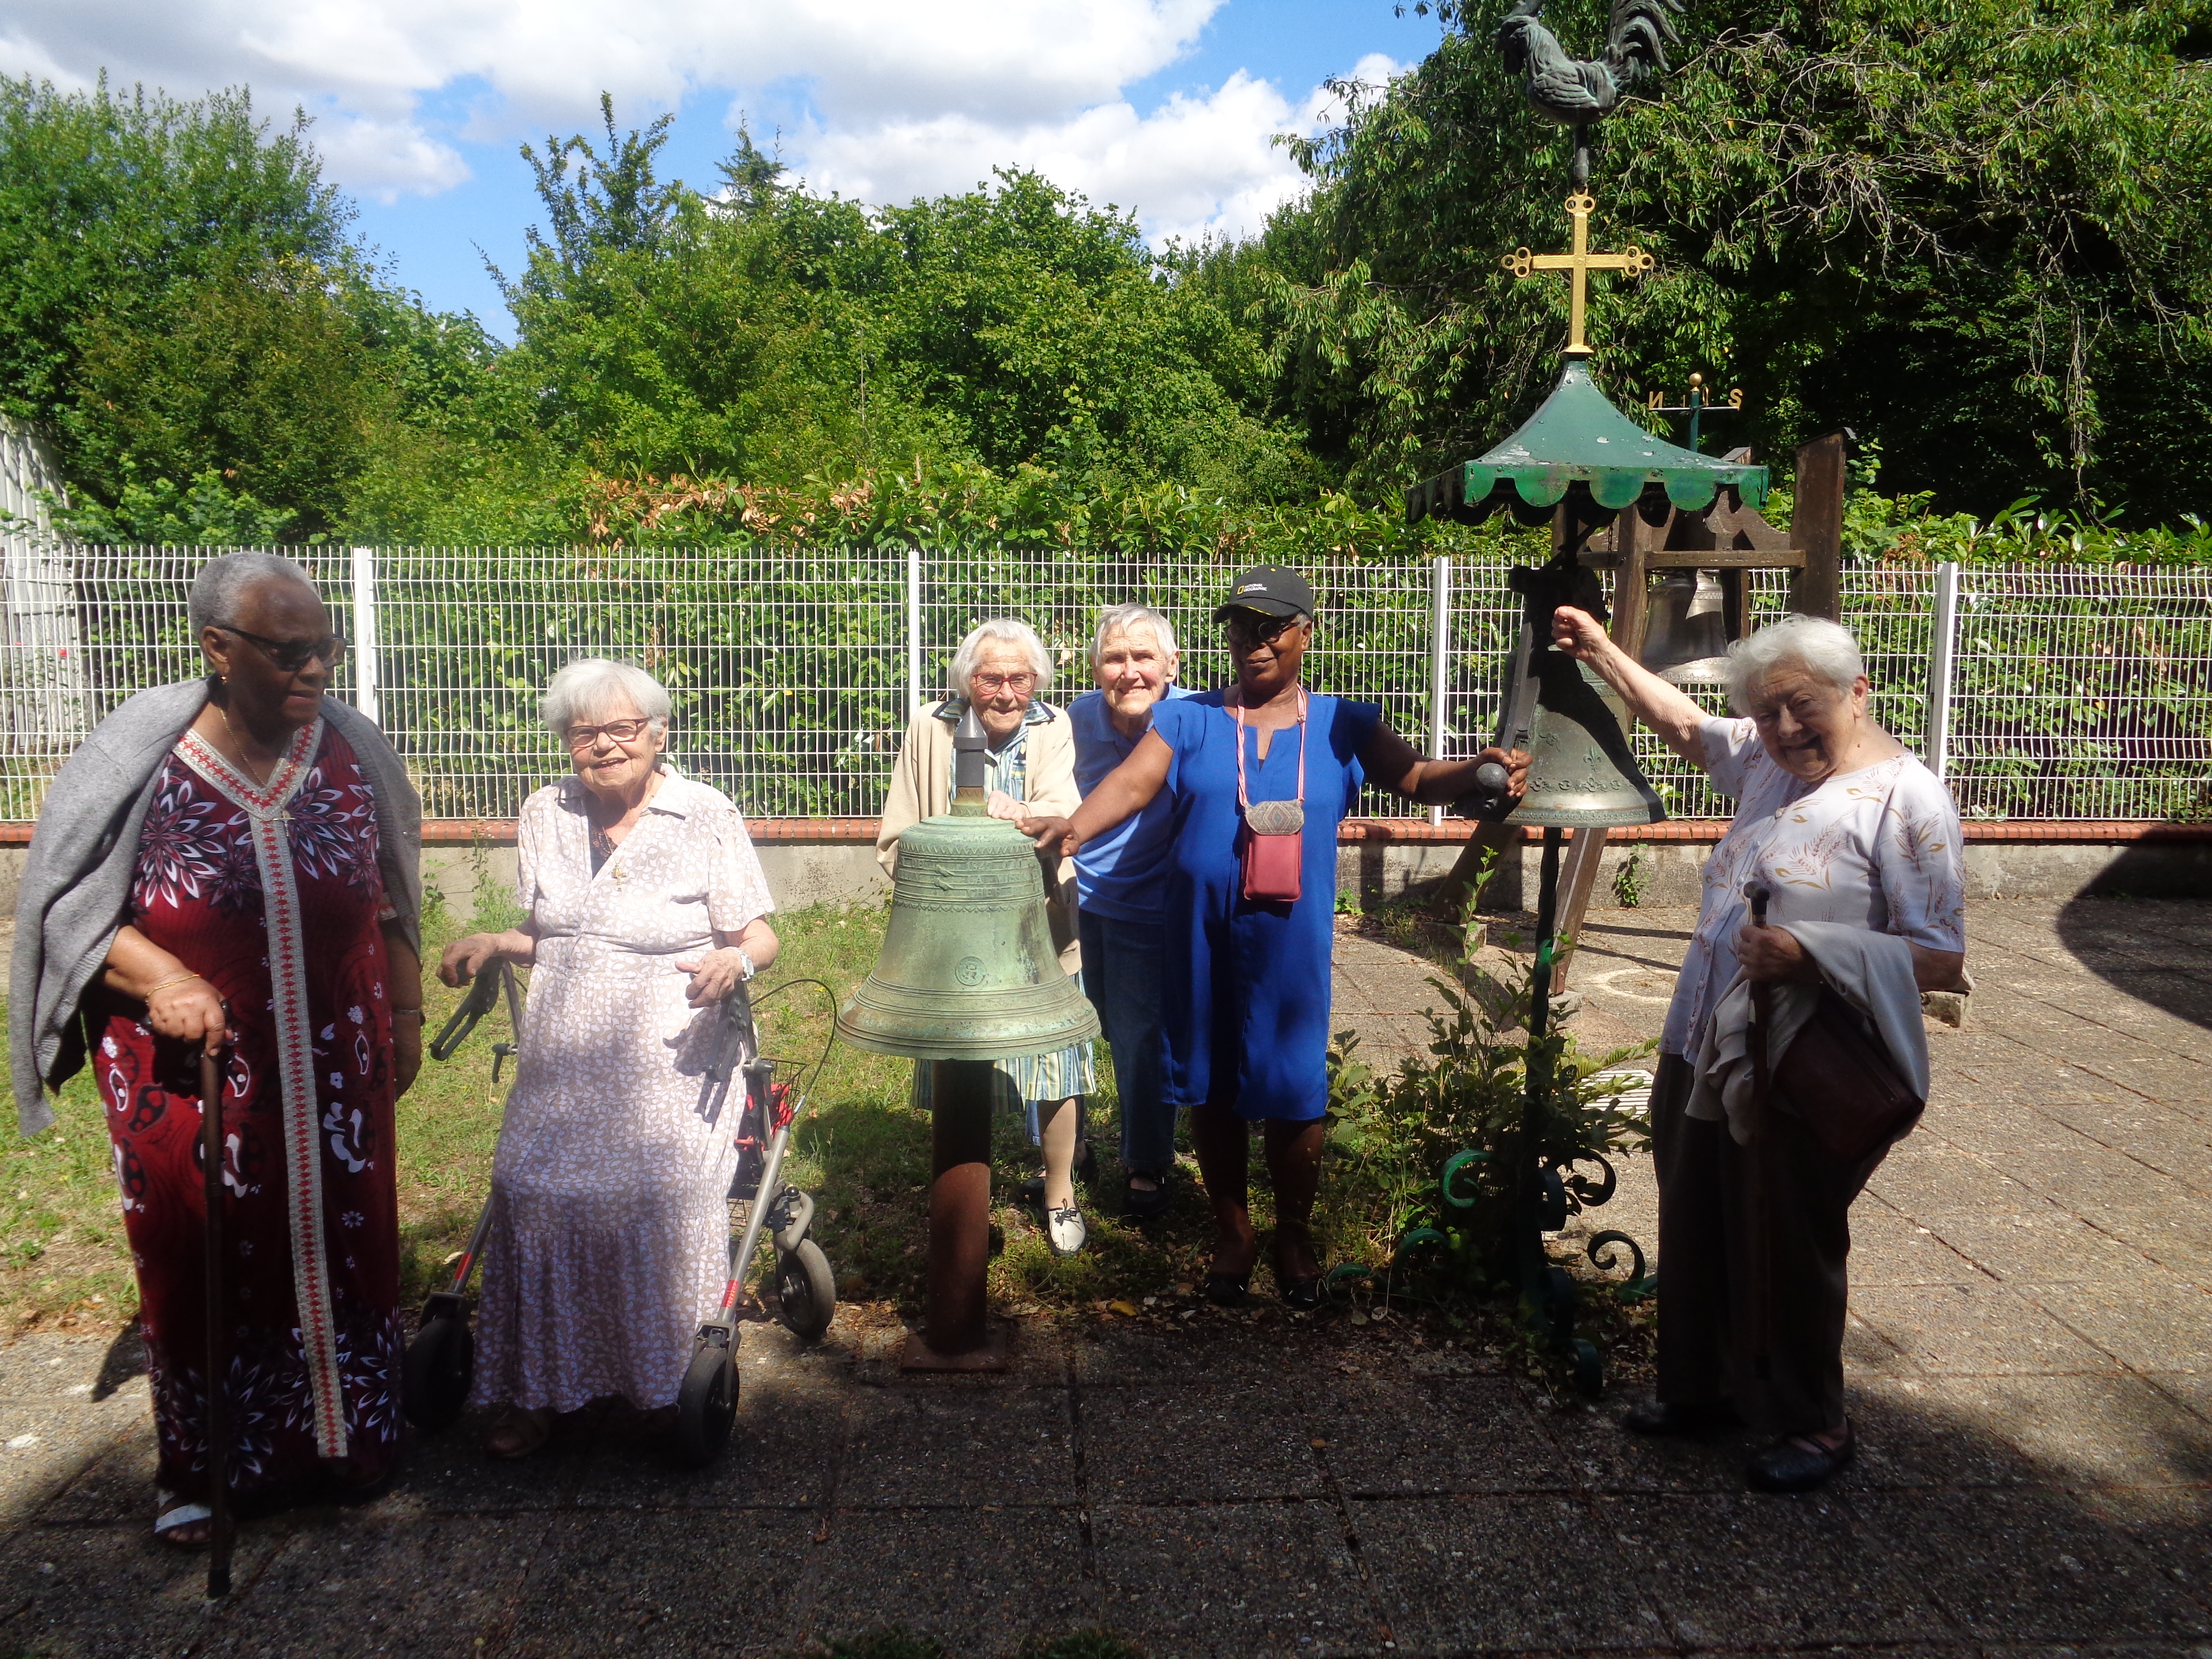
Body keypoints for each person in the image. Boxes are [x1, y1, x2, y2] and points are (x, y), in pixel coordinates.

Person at [9, 551, 424, 1545]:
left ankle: (349, 1441)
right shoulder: (141, 758)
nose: (314, 669)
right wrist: (163, 978)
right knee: (204, 1254)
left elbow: (391, 895)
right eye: (289, 652)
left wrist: (403, 1018)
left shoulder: (351, 749)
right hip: (184, 1069)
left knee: (348, 1240)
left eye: (324, 648)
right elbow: (69, 911)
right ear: (218, 648)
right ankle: (202, 1471)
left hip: (334, 1060)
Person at [1023, 567, 1527, 1306]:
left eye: (1271, 628)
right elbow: (1130, 786)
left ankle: (1293, 1234)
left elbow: (1417, 778)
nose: (1254, 643)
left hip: (1288, 936)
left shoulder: (1341, 722)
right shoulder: (1188, 719)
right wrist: (1074, 828)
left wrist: (1480, 769)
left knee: (1293, 1084)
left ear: (1304, 634)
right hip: (1197, 932)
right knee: (1211, 1080)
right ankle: (1235, 1233)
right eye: (1240, 628)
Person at [1548, 604, 1966, 1494]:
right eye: (1767, 710)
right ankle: (1702, 1390)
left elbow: (1940, 955)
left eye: (1801, 706)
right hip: (1704, 1036)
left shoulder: (1906, 799)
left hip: (1802, 1053)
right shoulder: (1767, 762)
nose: (1782, 728)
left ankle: (1813, 1424)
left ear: (1856, 692)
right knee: (1695, 1210)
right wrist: (1600, 651)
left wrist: (1812, 953)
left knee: (1785, 1233)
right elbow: (1685, 722)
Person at [439, 658, 780, 1457]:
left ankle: (662, 1386)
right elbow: (558, 934)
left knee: (654, 1192)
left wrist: (739, 963)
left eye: (622, 729)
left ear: (658, 734)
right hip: (565, 1059)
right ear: (566, 741)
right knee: (529, 1188)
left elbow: (757, 930)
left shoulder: (703, 814)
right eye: (584, 732)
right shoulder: (543, 813)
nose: (603, 746)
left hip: (677, 1053)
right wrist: (495, 941)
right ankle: (541, 1390)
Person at [878, 618, 1095, 1255]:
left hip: (1038, 927)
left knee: (1055, 1063)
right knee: (961, 1058)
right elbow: (899, 831)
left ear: (1037, 683)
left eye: (1018, 678)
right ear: (965, 680)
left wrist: (1024, 815)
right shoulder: (931, 725)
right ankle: (962, 1198)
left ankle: (1060, 1194)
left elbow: (1064, 816)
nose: (1004, 691)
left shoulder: (1053, 726)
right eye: (989, 677)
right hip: (953, 932)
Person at [1066, 605, 1190, 1221]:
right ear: (1096, 669)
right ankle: (1070, 1149)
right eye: (1115, 658)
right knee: (1069, 1032)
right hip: (1076, 905)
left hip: (1154, 909)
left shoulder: (1196, 719)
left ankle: (1146, 1160)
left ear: (1172, 664)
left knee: (1142, 1038)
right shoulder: (1075, 721)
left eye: (1144, 657)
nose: (1130, 671)